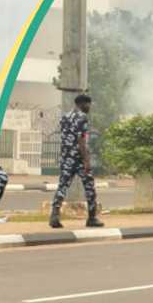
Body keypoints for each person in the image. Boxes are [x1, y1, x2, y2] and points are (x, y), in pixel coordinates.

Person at [49, 93, 104, 229]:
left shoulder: (65, 117)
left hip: (66, 157)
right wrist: (86, 160)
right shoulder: (82, 117)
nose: (89, 107)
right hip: (78, 158)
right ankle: (92, 217)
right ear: (82, 104)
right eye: (88, 104)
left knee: (63, 185)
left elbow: (64, 136)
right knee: (89, 187)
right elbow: (81, 140)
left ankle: (54, 215)